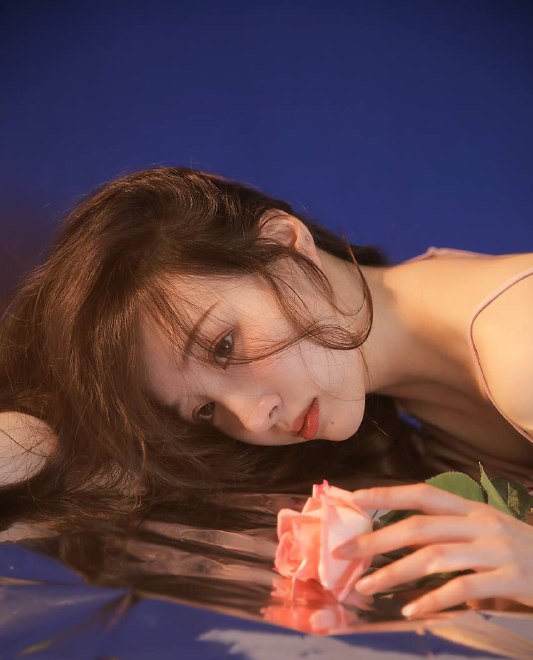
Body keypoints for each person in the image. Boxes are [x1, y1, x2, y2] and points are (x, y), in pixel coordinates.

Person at [0, 166, 531, 616]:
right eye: (205, 409)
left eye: (224, 346)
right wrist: (48, 443)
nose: (253, 420)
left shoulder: (518, 346)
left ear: (284, 242)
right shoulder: (419, 343)